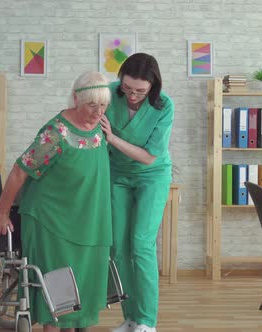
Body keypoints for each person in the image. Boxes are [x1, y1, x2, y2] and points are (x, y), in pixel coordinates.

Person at [0, 71, 112, 332]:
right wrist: (1, 212)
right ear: (76, 98)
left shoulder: (102, 128)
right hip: (52, 219)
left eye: (103, 105)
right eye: (92, 105)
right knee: (59, 287)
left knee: (84, 283)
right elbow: (19, 171)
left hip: (88, 217)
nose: (98, 111)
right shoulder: (55, 134)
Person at [99, 53, 174, 332]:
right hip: (118, 175)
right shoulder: (108, 93)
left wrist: (113, 138)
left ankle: (147, 322)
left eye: (140, 91)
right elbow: (82, 106)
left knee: (141, 245)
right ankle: (130, 318)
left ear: (153, 86)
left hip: (151, 177)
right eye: (127, 88)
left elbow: (148, 158)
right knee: (118, 248)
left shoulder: (164, 106)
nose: (132, 95)